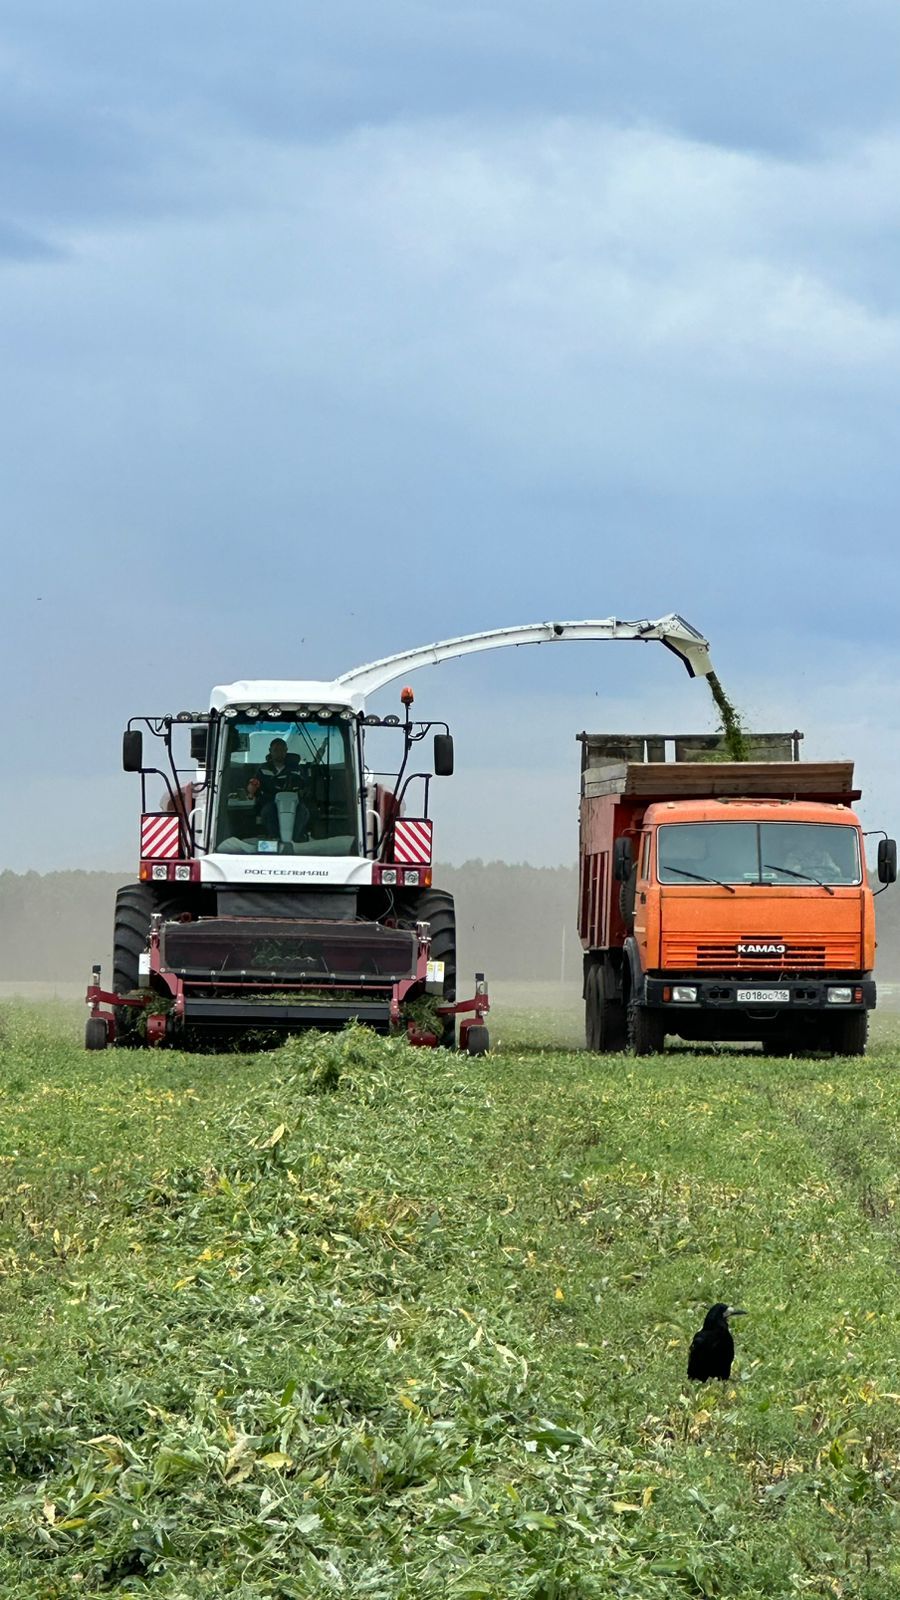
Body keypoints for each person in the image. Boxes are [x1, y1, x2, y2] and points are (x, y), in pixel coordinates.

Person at [247, 738, 310, 840]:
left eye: (282, 750)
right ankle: (274, 838)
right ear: (270, 751)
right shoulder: (263, 768)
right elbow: (254, 784)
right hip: (271, 802)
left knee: (303, 811)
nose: (279, 753)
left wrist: (302, 791)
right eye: (276, 750)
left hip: (293, 803)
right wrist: (252, 790)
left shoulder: (296, 768)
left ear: (286, 751)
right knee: (268, 811)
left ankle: (296, 840)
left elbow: (305, 786)